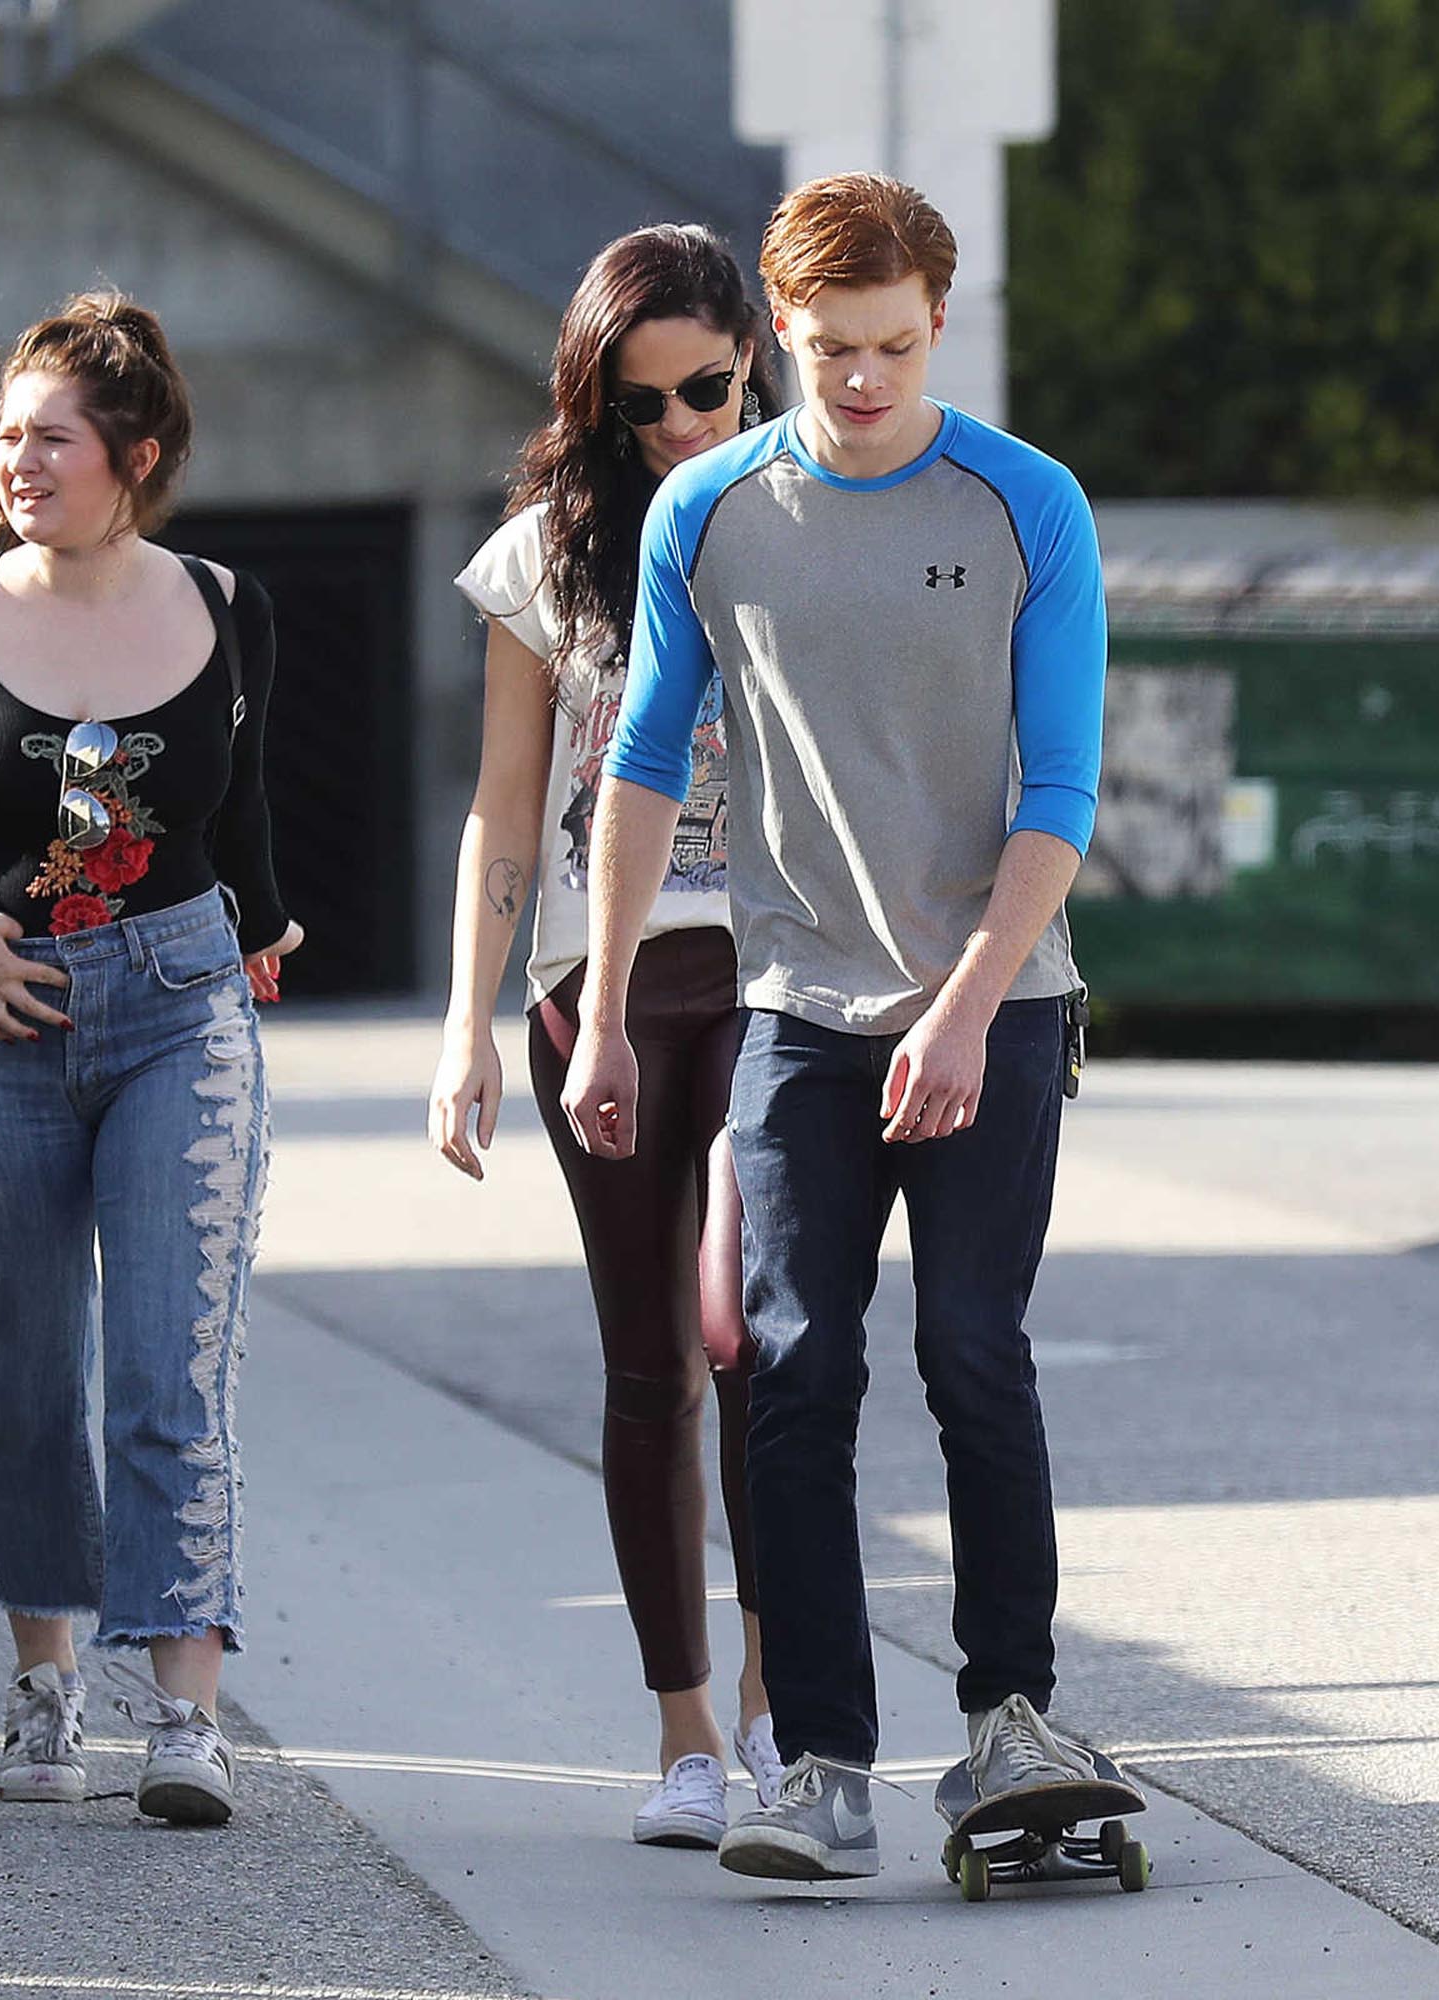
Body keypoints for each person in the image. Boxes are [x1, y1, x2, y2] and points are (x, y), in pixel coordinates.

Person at [559, 173, 1110, 1883]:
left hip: (996, 999)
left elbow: (1064, 785)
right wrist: (601, 1013)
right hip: (797, 1006)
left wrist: (960, 1013)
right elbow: (646, 762)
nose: (860, 380)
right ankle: (822, 1765)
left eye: (891, 344)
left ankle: (1012, 1712)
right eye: (827, 349)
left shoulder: (1030, 503)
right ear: (777, 337)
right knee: (787, 1364)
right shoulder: (709, 512)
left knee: (969, 1351)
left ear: (938, 320)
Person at [0, 294, 301, 1827]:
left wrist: (268, 927)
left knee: (171, 1374)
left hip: (180, 1005)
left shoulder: (227, 602)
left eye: (54, 437)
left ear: (136, 455)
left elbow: (238, 818)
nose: (20, 460)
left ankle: (184, 1717)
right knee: (26, 1378)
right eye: (9, 433)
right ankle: (45, 1688)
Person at [431, 225, 788, 1849]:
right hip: (604, 993)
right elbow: (506, 810)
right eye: (638, 406)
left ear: (753, 362)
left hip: (783, 979)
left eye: (704, 390)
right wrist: (468, 1026)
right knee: (649, 1363)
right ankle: (688, 1739)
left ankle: (792, 1716)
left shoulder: (815, 519)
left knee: (759, 1343)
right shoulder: (543, 558)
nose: (678, 430)